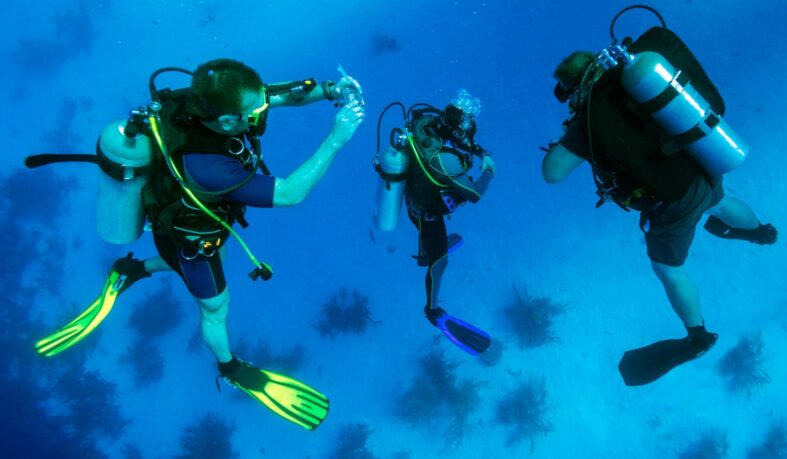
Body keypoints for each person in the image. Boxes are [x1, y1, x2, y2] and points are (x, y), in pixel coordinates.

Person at [34, 58, 365, 430]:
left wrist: (329, 91)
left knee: (201, 258)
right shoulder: (207, 167)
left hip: (200, 223)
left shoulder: (207, 101)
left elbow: (275, 96)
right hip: (193, 240)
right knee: (216, 308)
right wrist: (337, 139)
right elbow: (289, 193)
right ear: (227, 122)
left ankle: (132, 270)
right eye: (253, 110)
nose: (262, 108)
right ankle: (229, 366)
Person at [542, 48, 777, 386]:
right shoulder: (635, 83)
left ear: (575, 86)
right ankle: (761, 232)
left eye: (567, 93)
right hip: (700, 167)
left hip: (672, 202)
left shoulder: (592, 118)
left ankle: (697, 336)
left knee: (667, 268)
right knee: (721, 202)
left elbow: (551, 173)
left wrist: (567, 139)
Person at [374, 91, 495, 356]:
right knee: (440, 263)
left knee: (426, 232)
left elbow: (459, 141)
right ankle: (432, 311)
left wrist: (472, 146)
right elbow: (473, 195)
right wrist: (488, 170)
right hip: (429, 215)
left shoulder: (424, 122)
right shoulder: (445, 160)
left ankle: (425, 252)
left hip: (412, 202)